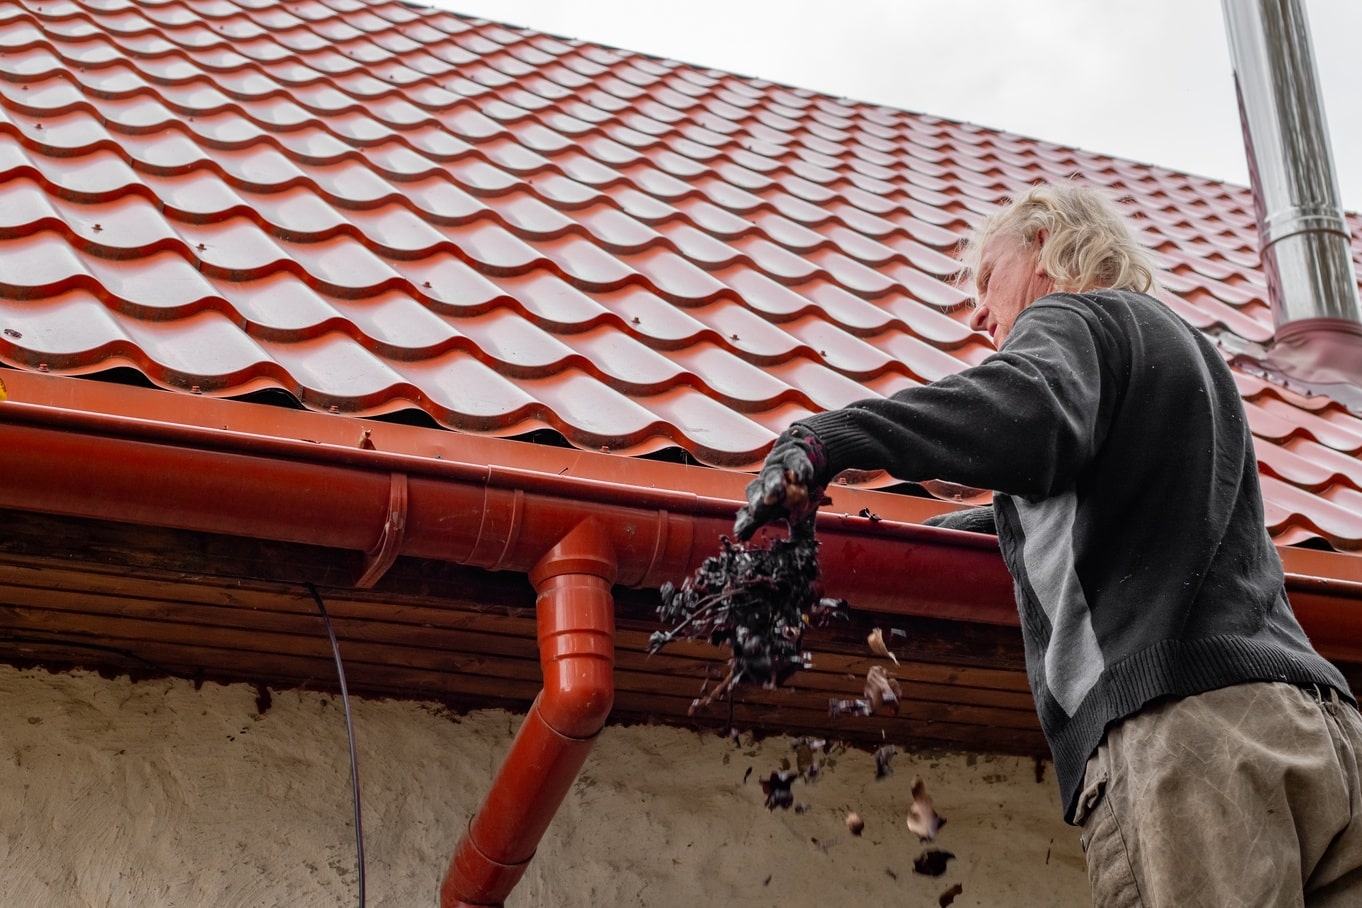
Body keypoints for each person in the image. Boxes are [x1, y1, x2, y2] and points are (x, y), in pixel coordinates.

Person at [734, 182, 1362, 907]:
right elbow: (1083, 510)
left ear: (1048, 246)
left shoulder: (1072, 318)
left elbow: (1022, 413)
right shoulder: (1189, 357)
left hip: (1193, 744)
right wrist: (928, 537)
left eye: (988, 279)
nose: (977, 313)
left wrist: (829, 438)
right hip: (1322, 734)